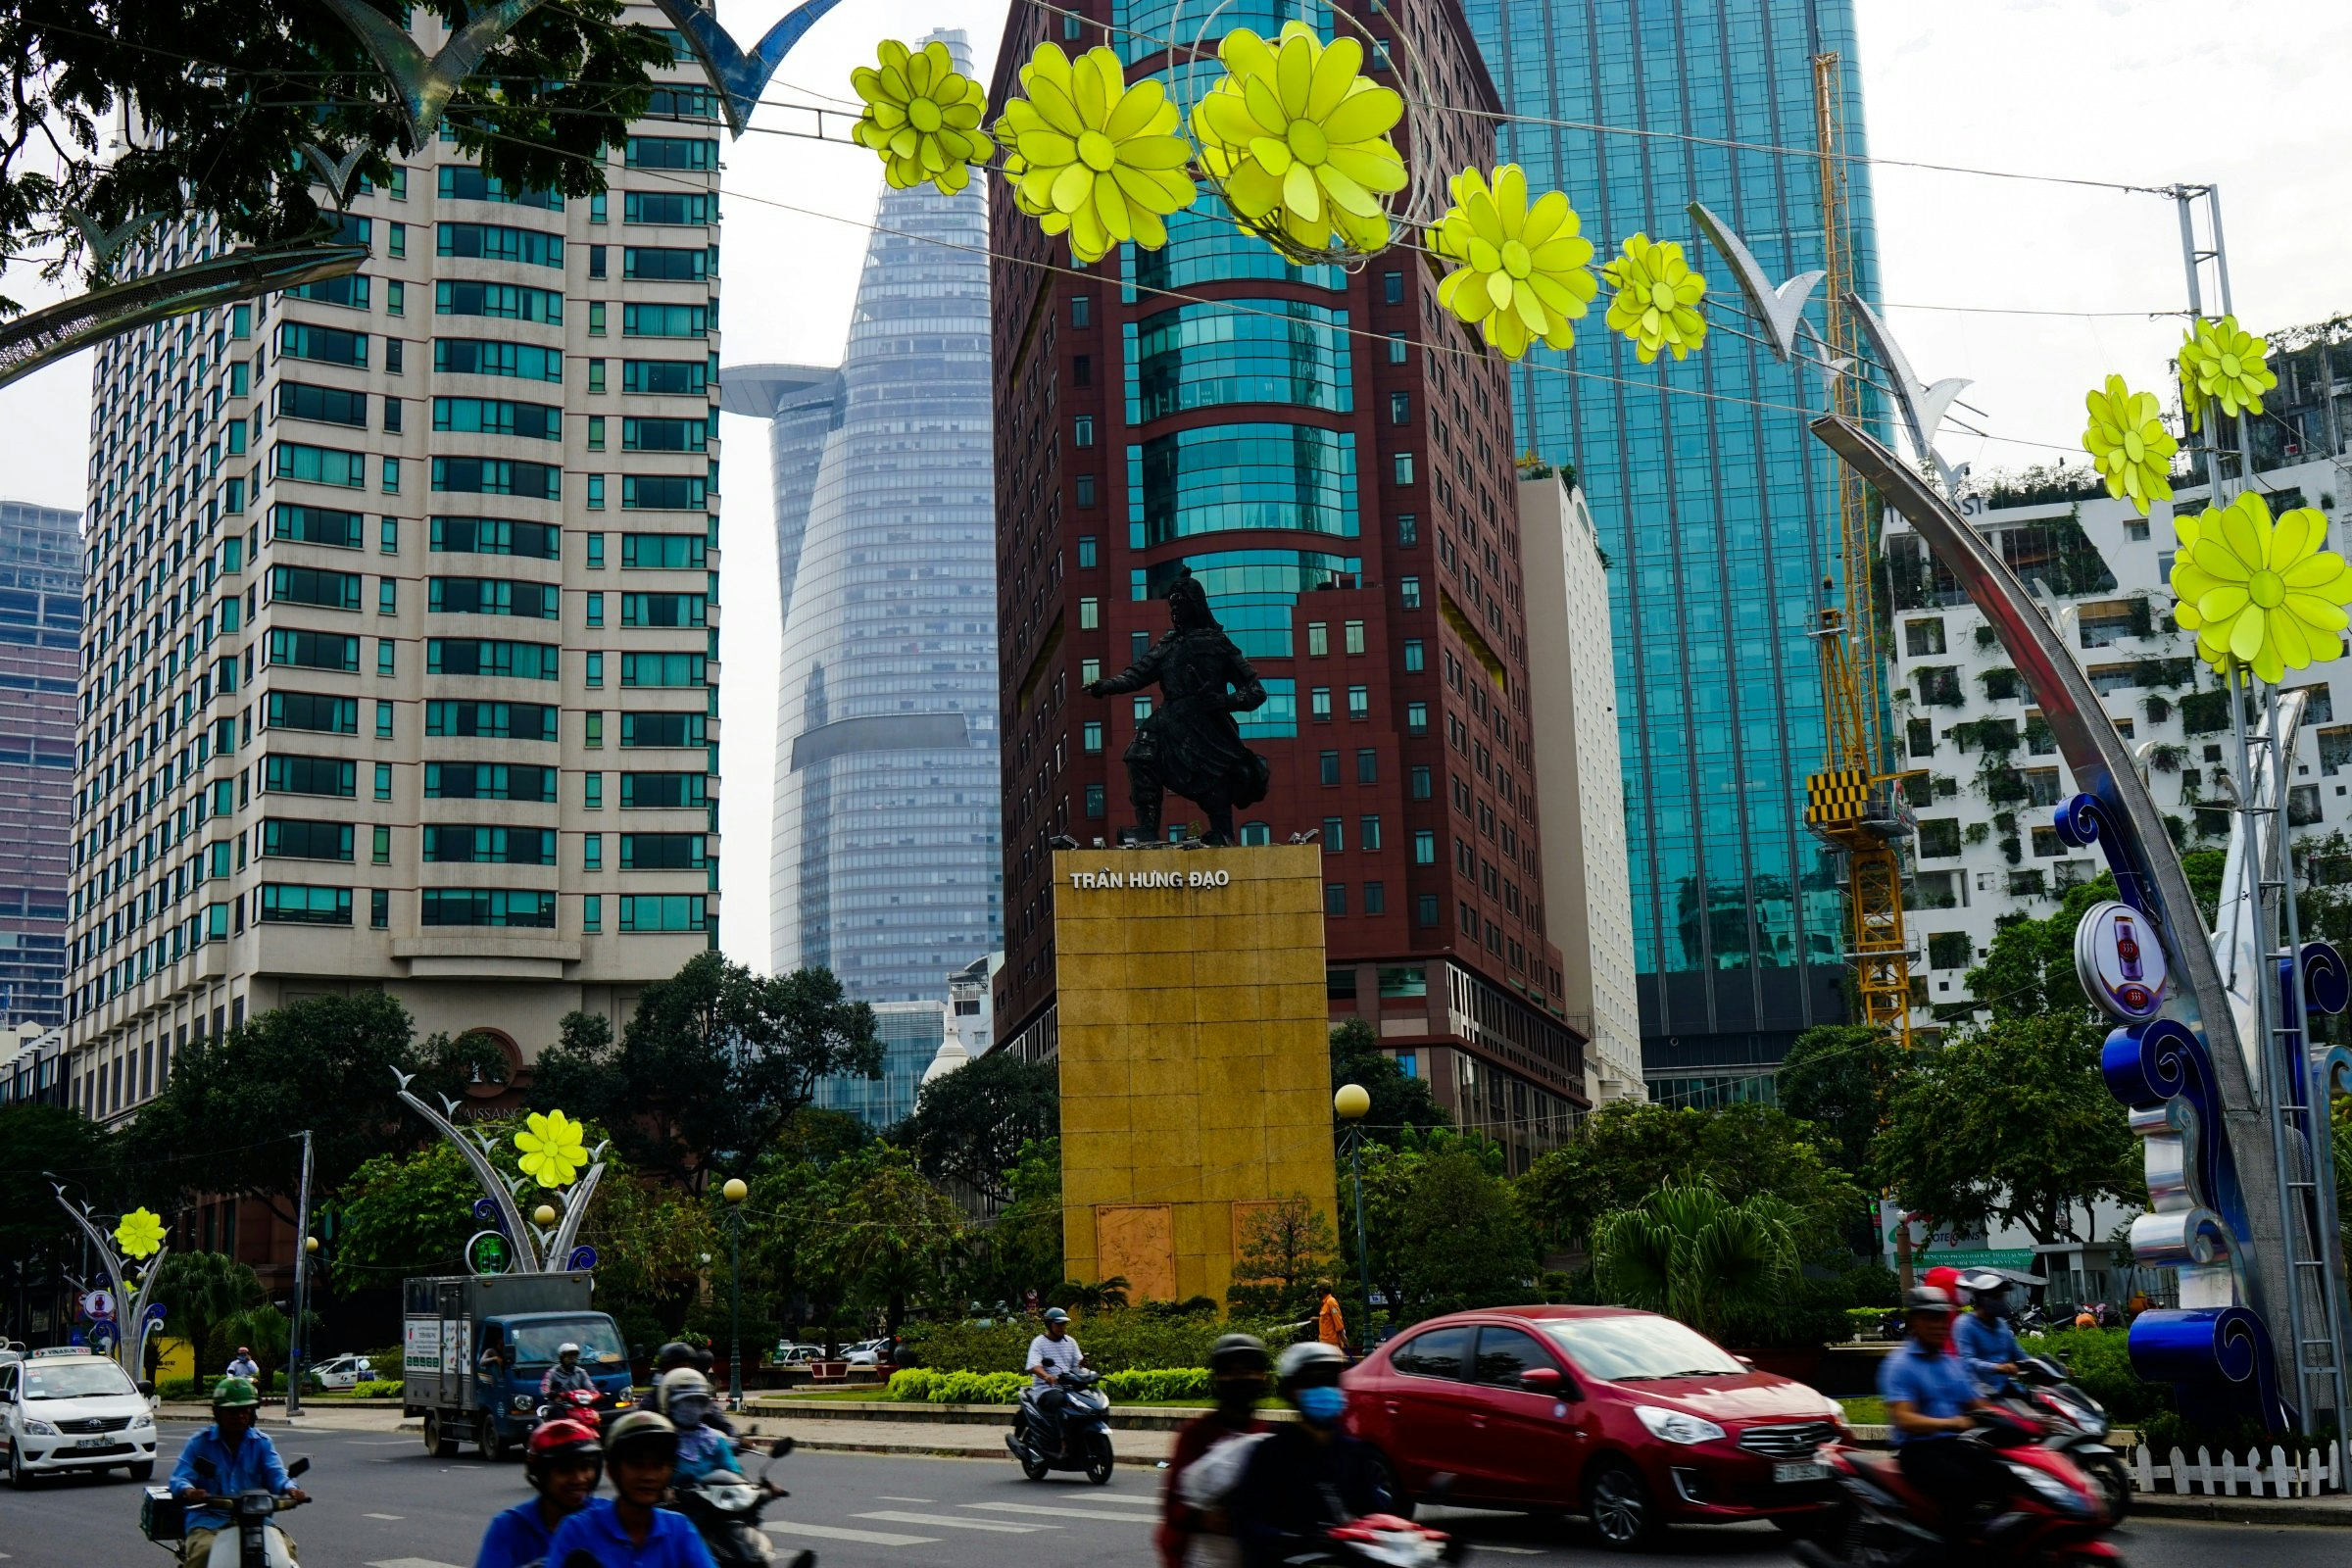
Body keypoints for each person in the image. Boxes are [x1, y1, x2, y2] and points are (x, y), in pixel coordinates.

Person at [1228, 1343, 1388, 1568]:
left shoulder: (1354, 1453)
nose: (1324, 1389)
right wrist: (1293, 1540)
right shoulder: (1270, 1454)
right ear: (1291, 1391)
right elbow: (1247, 1523)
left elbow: (1374, 1514)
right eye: (1313, 1382)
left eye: (1330, 1381)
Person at [1878, 1286, 2006, 1536]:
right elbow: (1905, 1418)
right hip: (1919, 1451)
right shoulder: (1900, 1364)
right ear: (1913, 1322)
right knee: (1963, 1487)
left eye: (1942, 1319)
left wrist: (2024, 1420)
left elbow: (1976, 1403)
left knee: (2006, 1475)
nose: (1938, 1325)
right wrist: (1952, 1423)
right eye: (1930, 1319)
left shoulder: (1950, 1363)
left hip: (1955, 1445)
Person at [544, 1411, 717, 1568]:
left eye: (658, 1465)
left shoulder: (679, 1529)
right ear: (612, 1471)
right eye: (636, 1465)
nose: (648, 1476)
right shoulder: (577, 1530)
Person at [169, 1376, 308, 1566]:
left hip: (255, 1522)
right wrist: (189, 1491)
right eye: (232, 1411)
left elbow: (276, 1474)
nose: (240, 1416)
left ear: (252, 1413)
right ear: (218, 1413)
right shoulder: (200, 1443)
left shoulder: (261, 1443)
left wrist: (290, 1489)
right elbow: (180, 1478)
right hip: (209, 1521)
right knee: (204, 1553)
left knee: (287, 1553)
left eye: (245, 1410)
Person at [1159, 1335, 1271, 1568]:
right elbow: (1174, 1506)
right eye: (1232, 1372)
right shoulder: (1196, 1435)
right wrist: (1204, 1518)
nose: (1242, 1379)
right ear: (1218, 1379)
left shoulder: (1267, 1435)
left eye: (1250, 1371)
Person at [474, 1416, 606, 1568]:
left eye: (585, 1467)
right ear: (541, 1475)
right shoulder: (509, 1527)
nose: (579, 1479)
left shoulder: (608, 1518)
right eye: (565, 1470)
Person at [660, 1369, 745, 1485]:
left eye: (699, 1402)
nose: (692, 1408)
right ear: (668, 1403)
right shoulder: (660, 1441)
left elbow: (733, 1473)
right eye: (686, 1402)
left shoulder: (714, 1440)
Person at [1953, 1271, 2028, 1397]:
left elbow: (2019, 1354)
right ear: (1982, 1299)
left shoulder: (2001, 1325)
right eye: (1997, 1297)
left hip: (2006, 1388)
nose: (2001, 1301)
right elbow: (1967, 1361)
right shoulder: (1965, 1324)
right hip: (1980, 1393)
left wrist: (2050, 1367)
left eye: (2002, 1297)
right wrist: (1997, 1367)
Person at [1023, 1307, 1086, 1452]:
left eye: (1064, 1324)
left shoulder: (1070, 1342)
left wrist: (1084, 1366)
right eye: (1058, 1324)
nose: (1062, 1327)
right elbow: (1034, 1366)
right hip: (1045, 1389)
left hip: (1068, 1387)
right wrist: (1046, 1376)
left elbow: (1078, 1363)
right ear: (1049, 1324)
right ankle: (1064, 1442)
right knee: (1061, 1401)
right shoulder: (1039, 1342)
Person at [1315, 1286, 1347, 1353]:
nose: (1317, 1292)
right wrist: (1317, 1319)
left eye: (1318, 1289)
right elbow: (1328, 1318)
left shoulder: (1331, 1302)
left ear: (1322, 1290)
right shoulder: (1325, 1303)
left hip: (1331, 1343)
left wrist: (1342, 1337)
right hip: (1325, 1342)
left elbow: (1337, 1318)